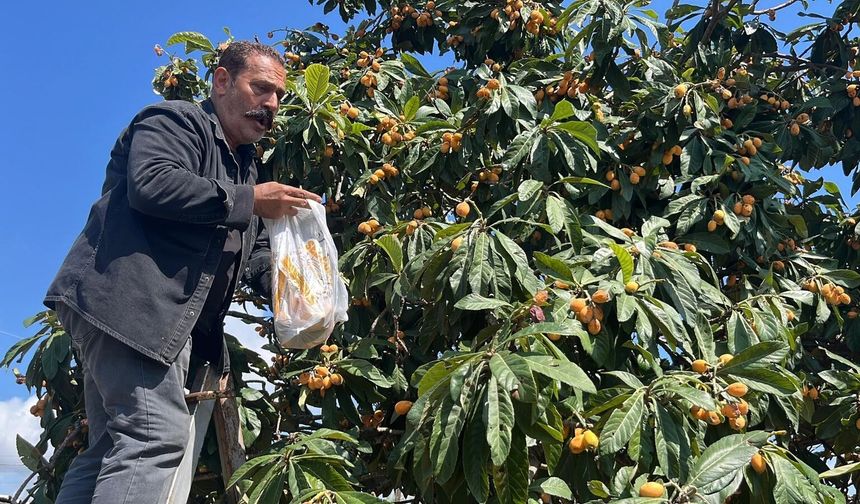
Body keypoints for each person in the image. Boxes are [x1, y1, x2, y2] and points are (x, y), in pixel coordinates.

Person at [43, 41, 319, 504]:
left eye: (278, 97)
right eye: (261, 88)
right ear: (222, 81)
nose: (271, 104)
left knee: (112, 446)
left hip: (147, 321)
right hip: (130, 306)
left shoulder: (246, 171)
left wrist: (293, 289)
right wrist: (251, 201)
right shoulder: (175, 120)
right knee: (154, 436)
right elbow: (152, 184)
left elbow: (251, 254)